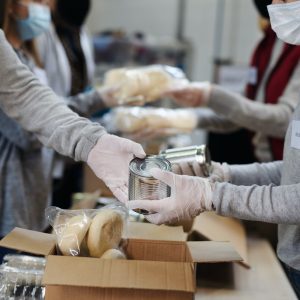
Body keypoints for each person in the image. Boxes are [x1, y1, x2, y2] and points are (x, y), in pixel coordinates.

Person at [129, 1, 300, 296]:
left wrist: (210, 194)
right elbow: (293, 170)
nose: (275, 5)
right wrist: (223, 174)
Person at [0, 5, 145, 238]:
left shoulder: (25, 56)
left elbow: (31, 97)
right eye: (37, 0)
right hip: (15, 199)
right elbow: (27, 131)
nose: (46, 6)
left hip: (35, 196)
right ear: (11, 7)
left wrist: (97, 140)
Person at [163, 0, 300, 165]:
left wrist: (211, 95)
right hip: (268, 165)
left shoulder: (294, 46)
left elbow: (285, 122)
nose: (275, 2)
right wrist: (181, 119)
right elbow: (244, 113)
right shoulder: (267, 44)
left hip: (286, 167)